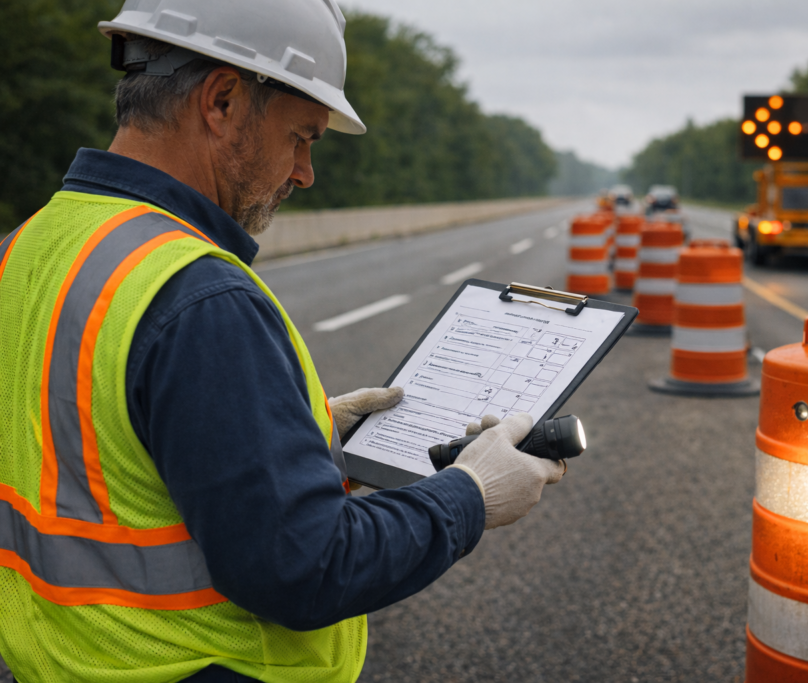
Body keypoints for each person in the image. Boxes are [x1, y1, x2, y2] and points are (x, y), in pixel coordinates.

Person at [0, 2, 564, 681]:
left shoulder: (27, 246)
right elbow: (305, 564)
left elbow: (89, 442)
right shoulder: (199, 297)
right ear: (224, 100)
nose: (305, 172)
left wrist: (301, 430)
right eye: (304, 137)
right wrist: (469, 495)